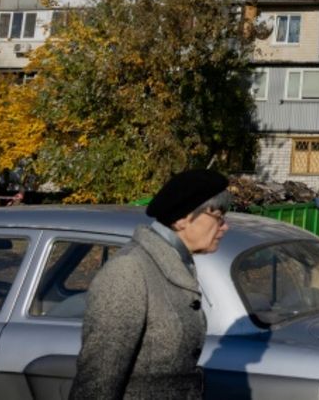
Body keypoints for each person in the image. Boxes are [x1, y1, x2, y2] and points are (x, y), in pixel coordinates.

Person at [69, 170, 231, 400]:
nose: (225, 227)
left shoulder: (175, 262)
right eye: (218, 216)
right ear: (182, 219)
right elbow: (98, 381)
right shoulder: (129, 271)